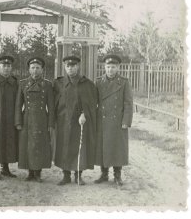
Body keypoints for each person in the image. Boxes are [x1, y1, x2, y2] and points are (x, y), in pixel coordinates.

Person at [53, 56, 98, 186]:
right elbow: (54, 102)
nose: (70, 68)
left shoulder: (87, 84)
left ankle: (78, 175)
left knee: (79, 148)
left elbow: (91, 102)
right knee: (64, 147)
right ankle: (66, 175)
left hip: (80, 122)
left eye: (73, 66)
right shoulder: (58, 83)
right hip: (63, 122)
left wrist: (84, 114)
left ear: (78, 66)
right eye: (68, 66)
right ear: (64, 67)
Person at [94, 54, 133, 186]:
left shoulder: (124, 82)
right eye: (108, 67)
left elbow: (128, 103)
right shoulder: (98, 82)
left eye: (113, 67)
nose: (110, 70)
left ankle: (117, 176)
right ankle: (104, 174)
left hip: (118, 122)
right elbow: (94, 102)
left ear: (118, 68)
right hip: (102, 121)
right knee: (102, 148)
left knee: (117, 148)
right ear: (104, 67)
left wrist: (126, 121)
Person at [14, 57, 54, 182]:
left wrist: (50, 123)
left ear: (42, 69)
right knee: (27, 145)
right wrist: (18, 122)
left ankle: (38, 173)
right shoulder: (22, 83)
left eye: (37, 68)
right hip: (27, 119)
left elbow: (51, 106)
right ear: (29, 69)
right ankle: (30, 172)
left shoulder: (47, 84)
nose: (35, 70)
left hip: (42, 118)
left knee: (39, 145)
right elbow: (18, 105)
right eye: (33, 68)